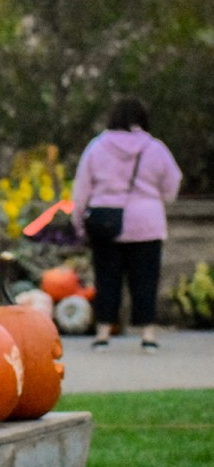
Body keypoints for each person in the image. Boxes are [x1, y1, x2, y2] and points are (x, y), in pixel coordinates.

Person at [70, 96, 182, 350]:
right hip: (147, 222)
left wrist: (78, 222)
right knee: (146, 280)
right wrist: (158, 197)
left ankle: (103, 333)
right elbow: (172, 182)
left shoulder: (97, 147)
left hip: (106, 221)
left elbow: (81, 188)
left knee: (107, 278)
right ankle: (148, 335)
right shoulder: (155, 148)